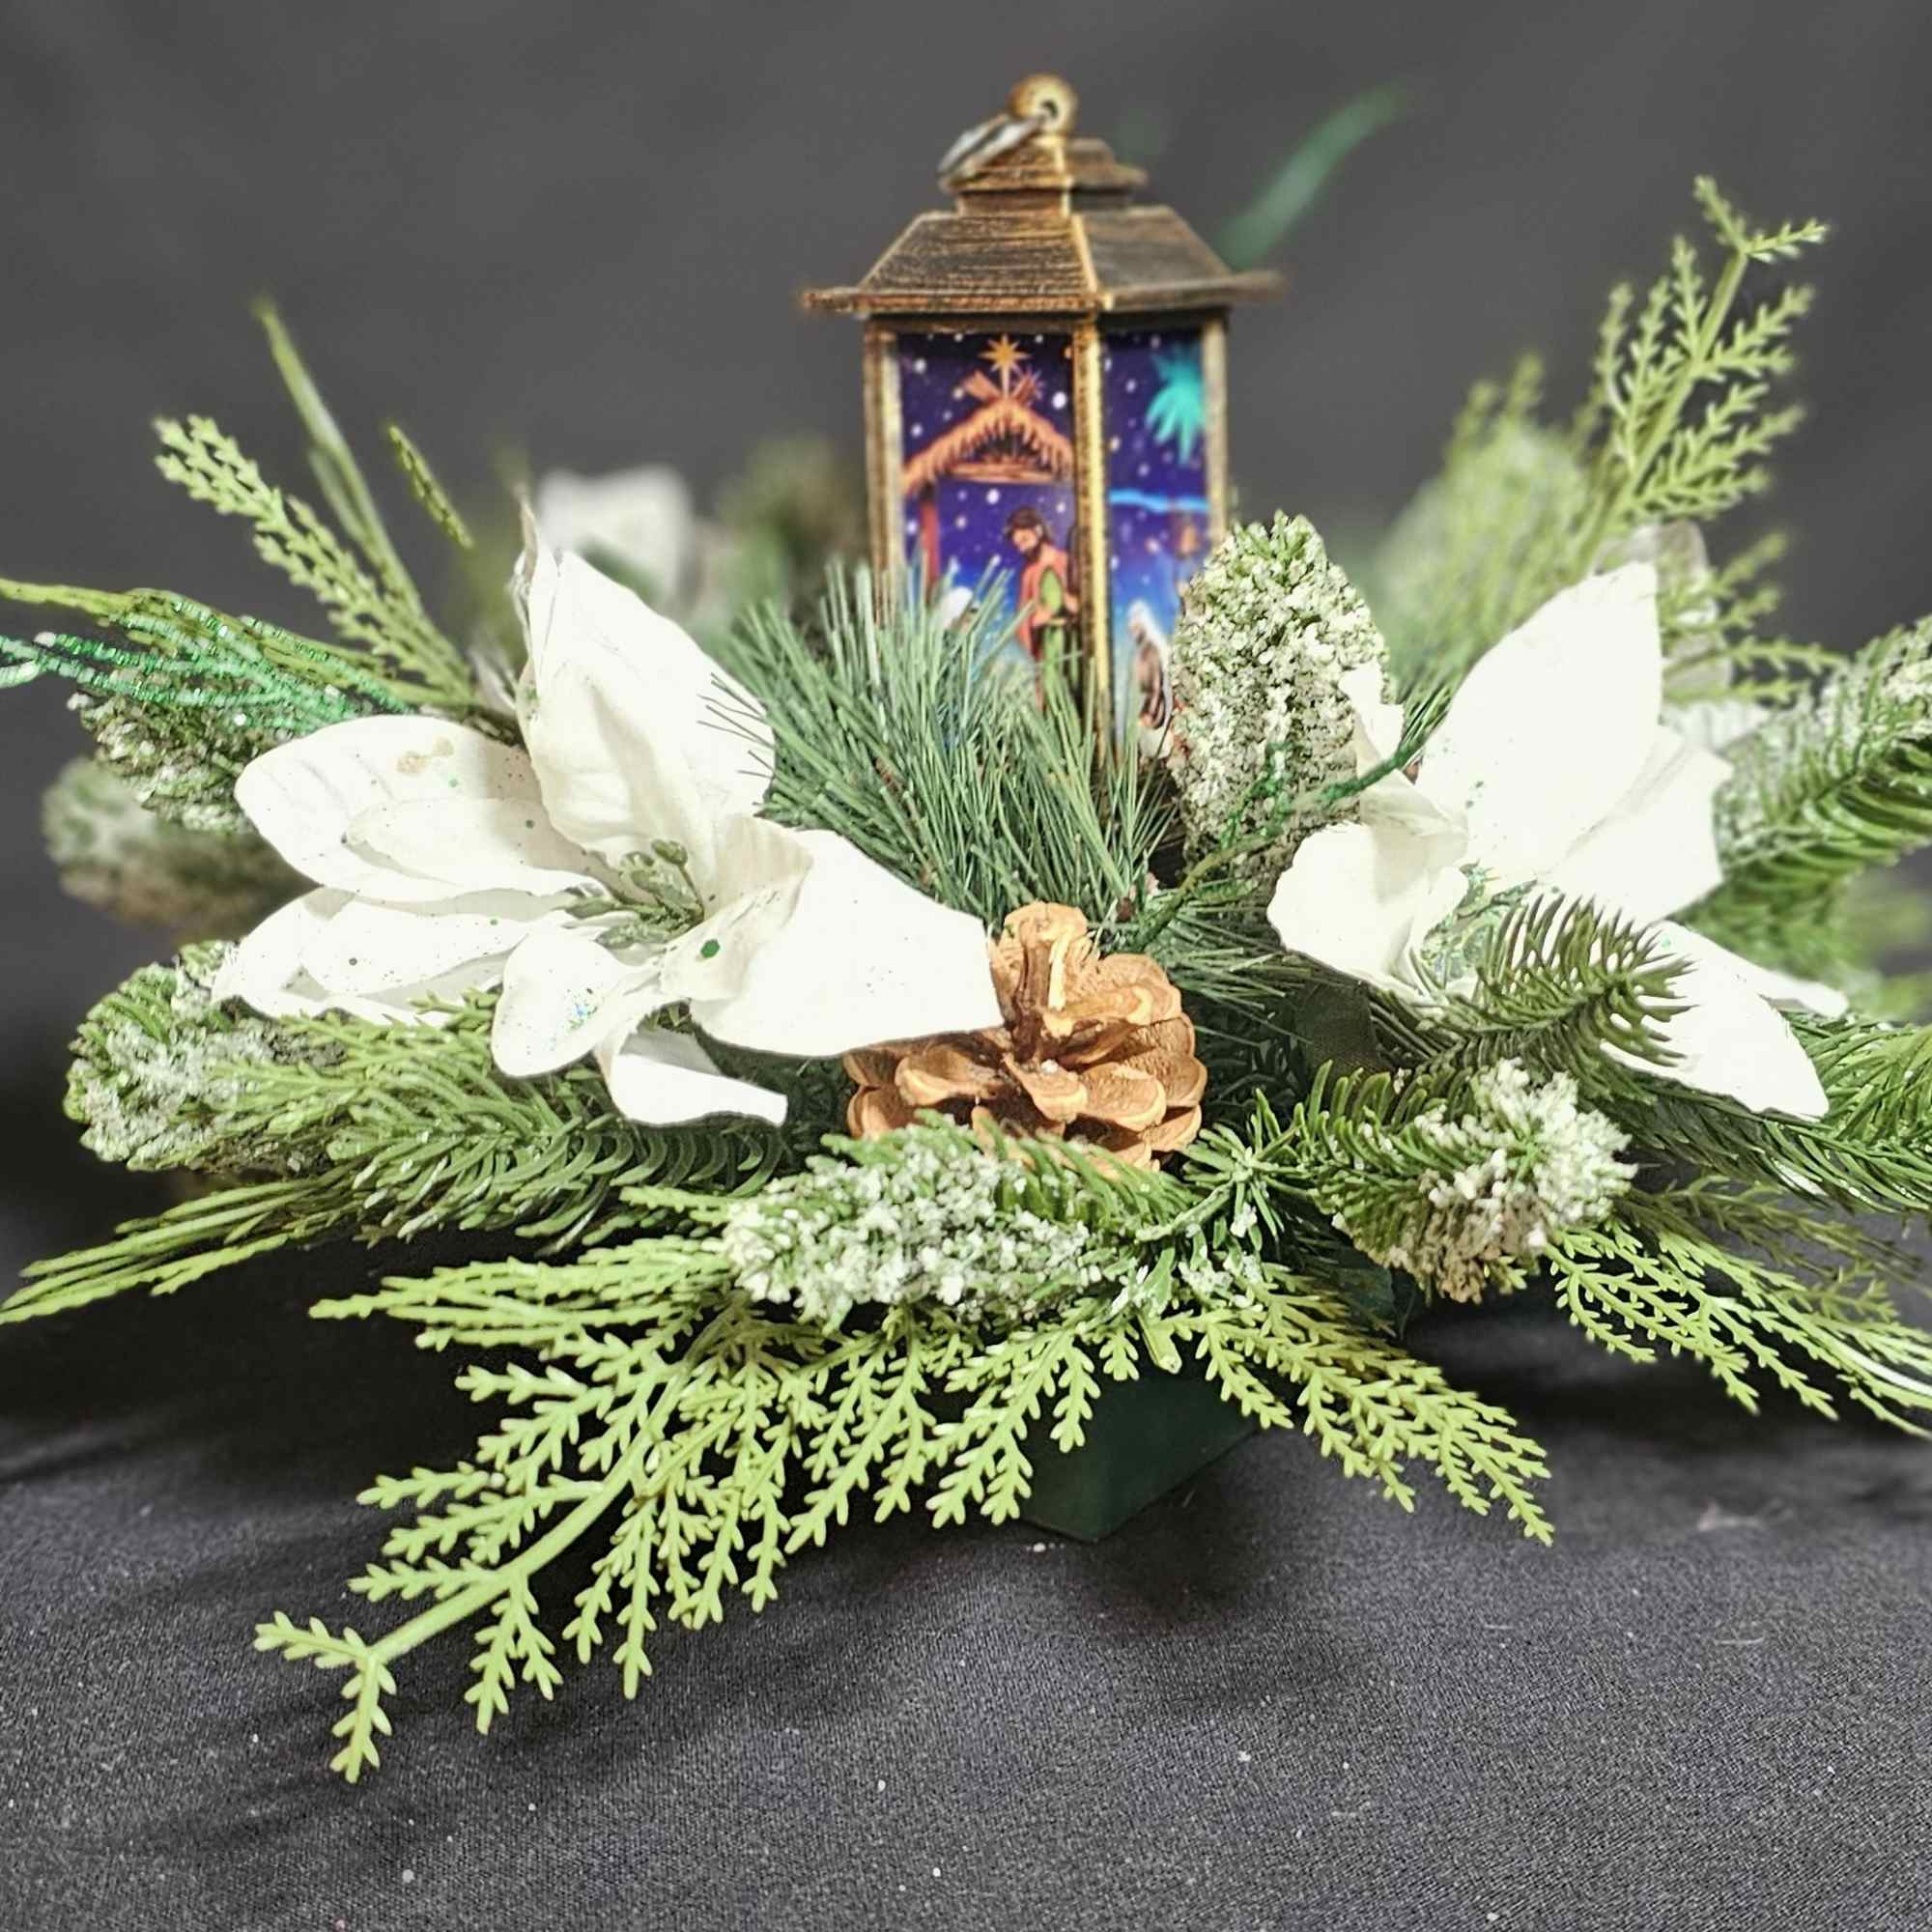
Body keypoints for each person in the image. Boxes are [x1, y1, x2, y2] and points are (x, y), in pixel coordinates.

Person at [1004, 506, 1077, 663]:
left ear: (1038, 530)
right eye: (1018, 545)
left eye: (1025, 540)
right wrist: (1033, 621)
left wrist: (1072, 604)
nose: (1023, 548)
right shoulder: (1029, 574)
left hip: (1073, 642)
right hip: (1048, 645)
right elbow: (1022, 620)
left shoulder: (1066, 561)